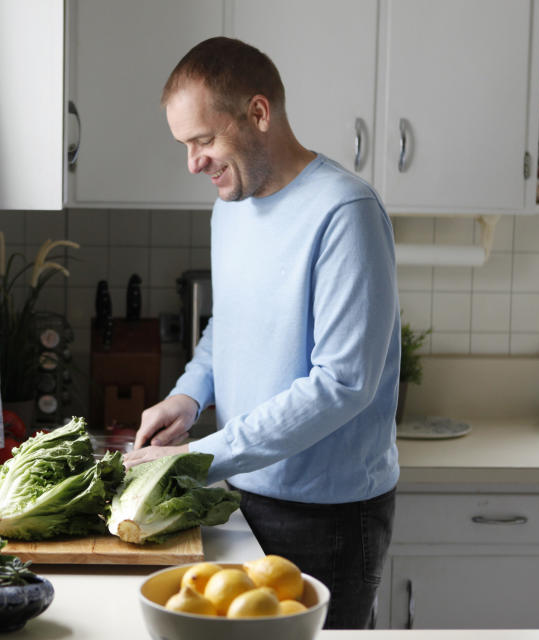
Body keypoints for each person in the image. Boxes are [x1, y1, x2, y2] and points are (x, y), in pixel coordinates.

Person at [123, 36, 401, 629]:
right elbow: (231, 320)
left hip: (327, 515)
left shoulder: (344, 212)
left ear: (258, 113)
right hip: (244, 491)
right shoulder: (230, 207)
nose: (193, 163)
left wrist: (196, 459)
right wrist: (188, 395)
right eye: (186, 145)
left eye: (203, 140)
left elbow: (344, 384)